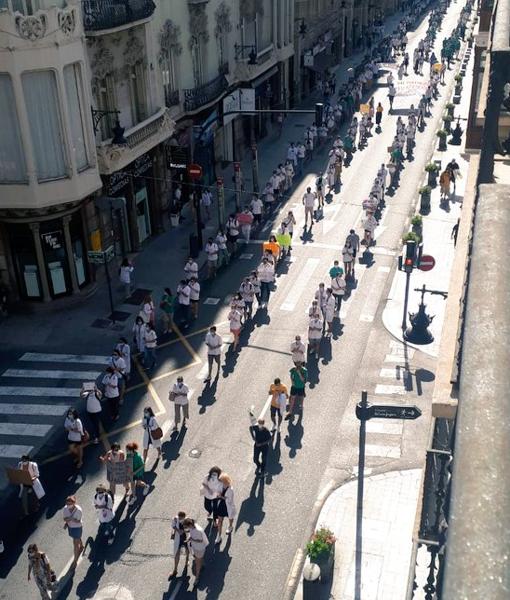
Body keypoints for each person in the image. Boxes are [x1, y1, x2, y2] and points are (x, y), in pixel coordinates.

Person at [183, 518, 208, 584]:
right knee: (199, 559)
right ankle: (202, 563)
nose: (186, 528)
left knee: (197, 563)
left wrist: (192, 540)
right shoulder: (192, 527)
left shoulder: (198, 530)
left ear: (190, 525)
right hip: (195, 547)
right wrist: (189, 539)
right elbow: (191, 534)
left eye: (186, 526)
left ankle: (197, 578)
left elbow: (200, 540)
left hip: (199, 548)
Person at [214, 473, 236, 544]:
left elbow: (229, 500)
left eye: (221, 480)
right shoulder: (220, 485)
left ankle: (230, 526)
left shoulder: (230, 489)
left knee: (230, 518)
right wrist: (218, 494)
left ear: (225, 481)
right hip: (221, 505)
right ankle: (219, 535)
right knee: (220, 521)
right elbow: (217, 491)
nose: (220, 482)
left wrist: (221, 497)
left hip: (228, 506)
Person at [62, 495, 83, 568]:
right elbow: (65, 519)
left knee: (75, 544)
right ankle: (82, 545)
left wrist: (70, 519)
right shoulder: (65, 509)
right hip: (70, 527)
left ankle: (75, 561)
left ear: (74, 503)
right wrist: (68, 521)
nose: (68, 505)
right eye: (67, 504)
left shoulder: (79, 510)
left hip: (77, 528)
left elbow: (78, 521)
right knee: (76, 538)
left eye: (70, 504)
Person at [169, 511, 189, 578]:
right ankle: (175, 569)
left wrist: (184, 531)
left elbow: (189, 528)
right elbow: (173, 526)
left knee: (187, 550)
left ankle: (187, 560)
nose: (181, 520)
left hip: (185, 537)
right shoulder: (175, 519)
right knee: (177, 553)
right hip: (178, 539)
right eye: (180, 518)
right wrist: (178, 530)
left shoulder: (187, 520)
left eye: (182, 518)